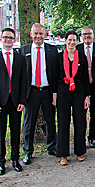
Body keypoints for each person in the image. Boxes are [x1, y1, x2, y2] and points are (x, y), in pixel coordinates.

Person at [0, 28, 27, 175]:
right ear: (1, 39)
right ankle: (0, 162)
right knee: (0, 133)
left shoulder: (20, 59)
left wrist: (23, 101)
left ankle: (15, 159)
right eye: (5, 37)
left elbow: (24, 81)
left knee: (16, 132)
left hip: (15, 102)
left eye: (10, 37)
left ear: (14, 39)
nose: (8, 40)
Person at [19, 23, 58, 165]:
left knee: (50, 121)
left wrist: (55, 93)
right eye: (35, 33)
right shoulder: (23, 51)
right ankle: (28, 152)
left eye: (41, 33)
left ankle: (52, 147)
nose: (38, 36)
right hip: (31, 92)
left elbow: (55, 73)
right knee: (29, 123)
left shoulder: (52, 50)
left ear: (45, 34)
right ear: (31, 34)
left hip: (47, 90)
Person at [52, 31, 91, 165]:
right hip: (63, 92)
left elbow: (86, 78)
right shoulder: (58, 57)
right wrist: (54, 94)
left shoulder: (82, 57)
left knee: (80, 122)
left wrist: (87, 96)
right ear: (65, 41)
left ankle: (79, 152)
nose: (72, 42)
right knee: (63, 123)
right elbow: (54, 77)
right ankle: (63, 154)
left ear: (77, 41)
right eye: (70, 40)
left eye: (74, 40)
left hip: (79, 92)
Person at [76, 26, 95, 149]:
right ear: (81, 36)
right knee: (81, 114)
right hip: (81, 87)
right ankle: (81, 138)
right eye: (84, 34)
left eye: (89, 34)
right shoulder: (76, 49)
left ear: (93, 35)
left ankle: (92, 137)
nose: (87, 36)